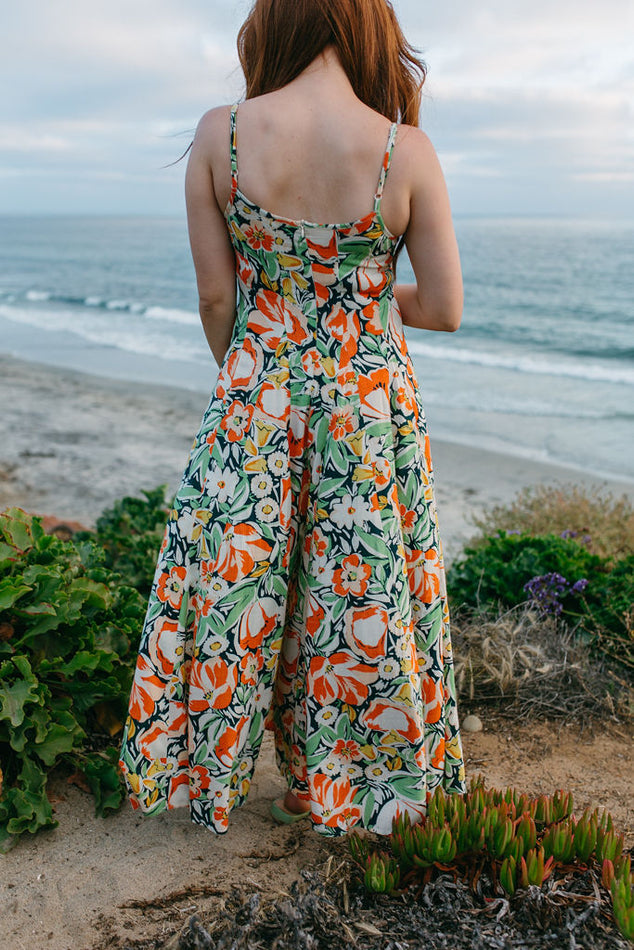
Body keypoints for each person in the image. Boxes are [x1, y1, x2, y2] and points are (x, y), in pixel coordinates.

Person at [118, 0, 467, 837]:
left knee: (233, 585)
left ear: (269, 29)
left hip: (257, 393)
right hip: (367, 407)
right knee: (360, 587)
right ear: (368, 33)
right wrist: (362, 299)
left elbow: (216, 298)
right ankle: (362, 790)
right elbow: (447, 307)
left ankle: (204, 775)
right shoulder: (400, 149)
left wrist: (256, 383)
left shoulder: (221, 135)